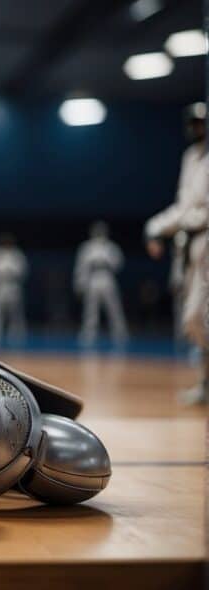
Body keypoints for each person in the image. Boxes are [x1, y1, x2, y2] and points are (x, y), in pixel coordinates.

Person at [145, 101, 208, 404]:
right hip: (193, 246)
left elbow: (198, 213)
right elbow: (185, 207)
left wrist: (168, 225)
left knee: (199, 317)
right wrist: (156, 227)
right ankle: (206, 383)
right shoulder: (191, 157)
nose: (197, 129)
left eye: (201, 123)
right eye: (193, 124)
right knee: (193, 320)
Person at [75, 221, 127, 346]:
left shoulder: (111, 247)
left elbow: (119, 263)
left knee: (113, 307)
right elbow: (81, 267)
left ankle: (119, 332)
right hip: (93, 278)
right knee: (91, 308)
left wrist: (106, 260)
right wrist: (79, 283)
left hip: (106, 276)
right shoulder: (86, 247)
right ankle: (89, 333)